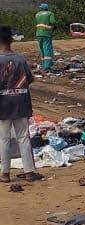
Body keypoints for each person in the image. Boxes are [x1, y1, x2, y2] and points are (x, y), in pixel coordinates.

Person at [0, 25, 40, 183]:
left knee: (4, 138)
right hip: (21, 102)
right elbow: (30, 79)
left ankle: (5, 173)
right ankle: (29, 172)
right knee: (23, 137)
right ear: (11, 40)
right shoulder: (20, 59)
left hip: (3, 104)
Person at [35, 1, 56, 71]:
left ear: (41, 8)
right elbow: (52, 22)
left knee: (41, 49)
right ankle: (47, 66)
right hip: (46, 33)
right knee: (47, 48)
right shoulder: (50, 13)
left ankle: (43, 64)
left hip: (38, 33)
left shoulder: (37, 14)